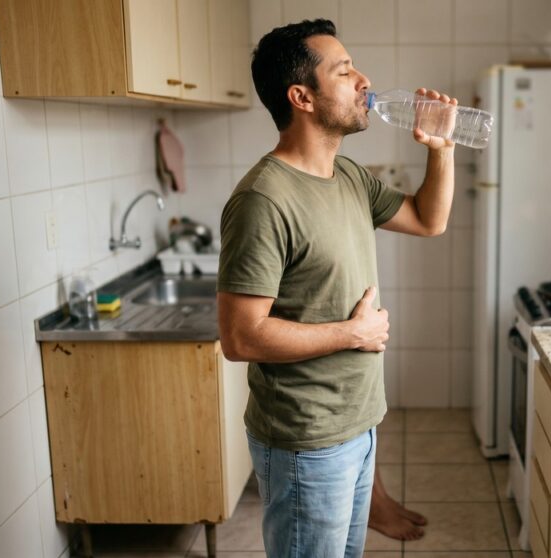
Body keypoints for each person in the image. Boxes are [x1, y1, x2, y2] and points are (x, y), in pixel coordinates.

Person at [216, 17, 456, 558]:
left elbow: (428, 219)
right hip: (305, 438)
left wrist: (441, 147)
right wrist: (353, 333)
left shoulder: (347, 175)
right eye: (344, 71)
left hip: (357, 422)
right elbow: (240, 338)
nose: (363, 80)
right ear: (301, 96)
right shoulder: (263, 199)